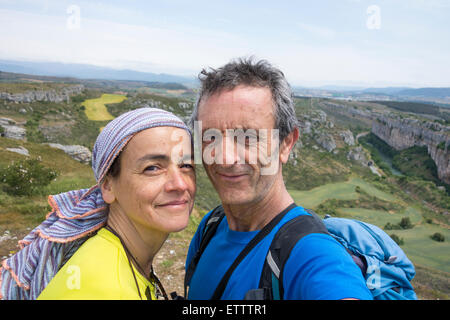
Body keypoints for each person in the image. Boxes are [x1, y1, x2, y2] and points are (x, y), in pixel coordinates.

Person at [185, 58, 373, 300]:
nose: (225, 158)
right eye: (210, 137)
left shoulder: (310, 253)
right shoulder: (210, 227)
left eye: (248, 137)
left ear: (286, 143)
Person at [0, 107, 195, 300]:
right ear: (108, 186)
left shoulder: (113, 256)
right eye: (152, 168)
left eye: (186, 165)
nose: (179, 184)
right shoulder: (100, 290)